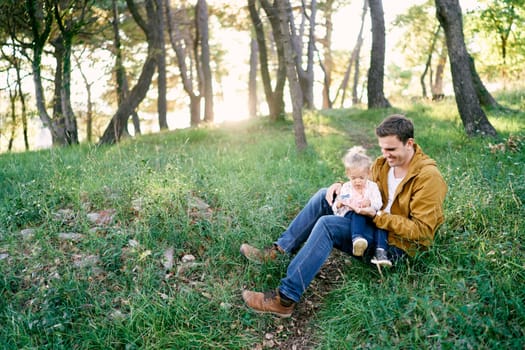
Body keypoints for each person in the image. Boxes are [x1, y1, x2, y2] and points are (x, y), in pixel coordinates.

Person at [240, 114, 448, 318]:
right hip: (370, 225)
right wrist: (341, 187)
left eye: (391, 149)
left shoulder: (428, 178)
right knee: (325, 195)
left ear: (409, 143)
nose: (385, 154)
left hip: (394, 246)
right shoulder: (383, 164)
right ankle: (279, 251)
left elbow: (423, 232)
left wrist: (377, 216)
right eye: (383, 148)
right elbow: (363, 185)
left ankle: (285, 299)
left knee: (327, 225)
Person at [331, 145, 391, 267]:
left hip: (369, 216)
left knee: (382, 221)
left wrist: (370, 203)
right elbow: (337, 208)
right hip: (352, 217)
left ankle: (381, 252)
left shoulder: (372, 187)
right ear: (348, 174)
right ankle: (357, 240)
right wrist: (338, 204)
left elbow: (378, 203)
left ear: (368, 174)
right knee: (357, 214)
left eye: (361, 178)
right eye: (354, 178)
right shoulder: (347, 187)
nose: (357, 181)